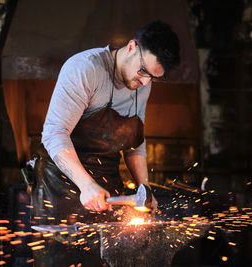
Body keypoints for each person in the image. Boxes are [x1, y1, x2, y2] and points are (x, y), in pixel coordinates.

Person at [31, 20, 180, 226]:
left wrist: (144, 189)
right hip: (59, 188)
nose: (145, 83)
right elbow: (55, 133)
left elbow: (135, 144)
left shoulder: (143, 84)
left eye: (154, 78)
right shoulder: (85, 68)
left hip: (106, 190)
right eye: (144, 71)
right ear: (131, 47)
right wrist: (86, 185)